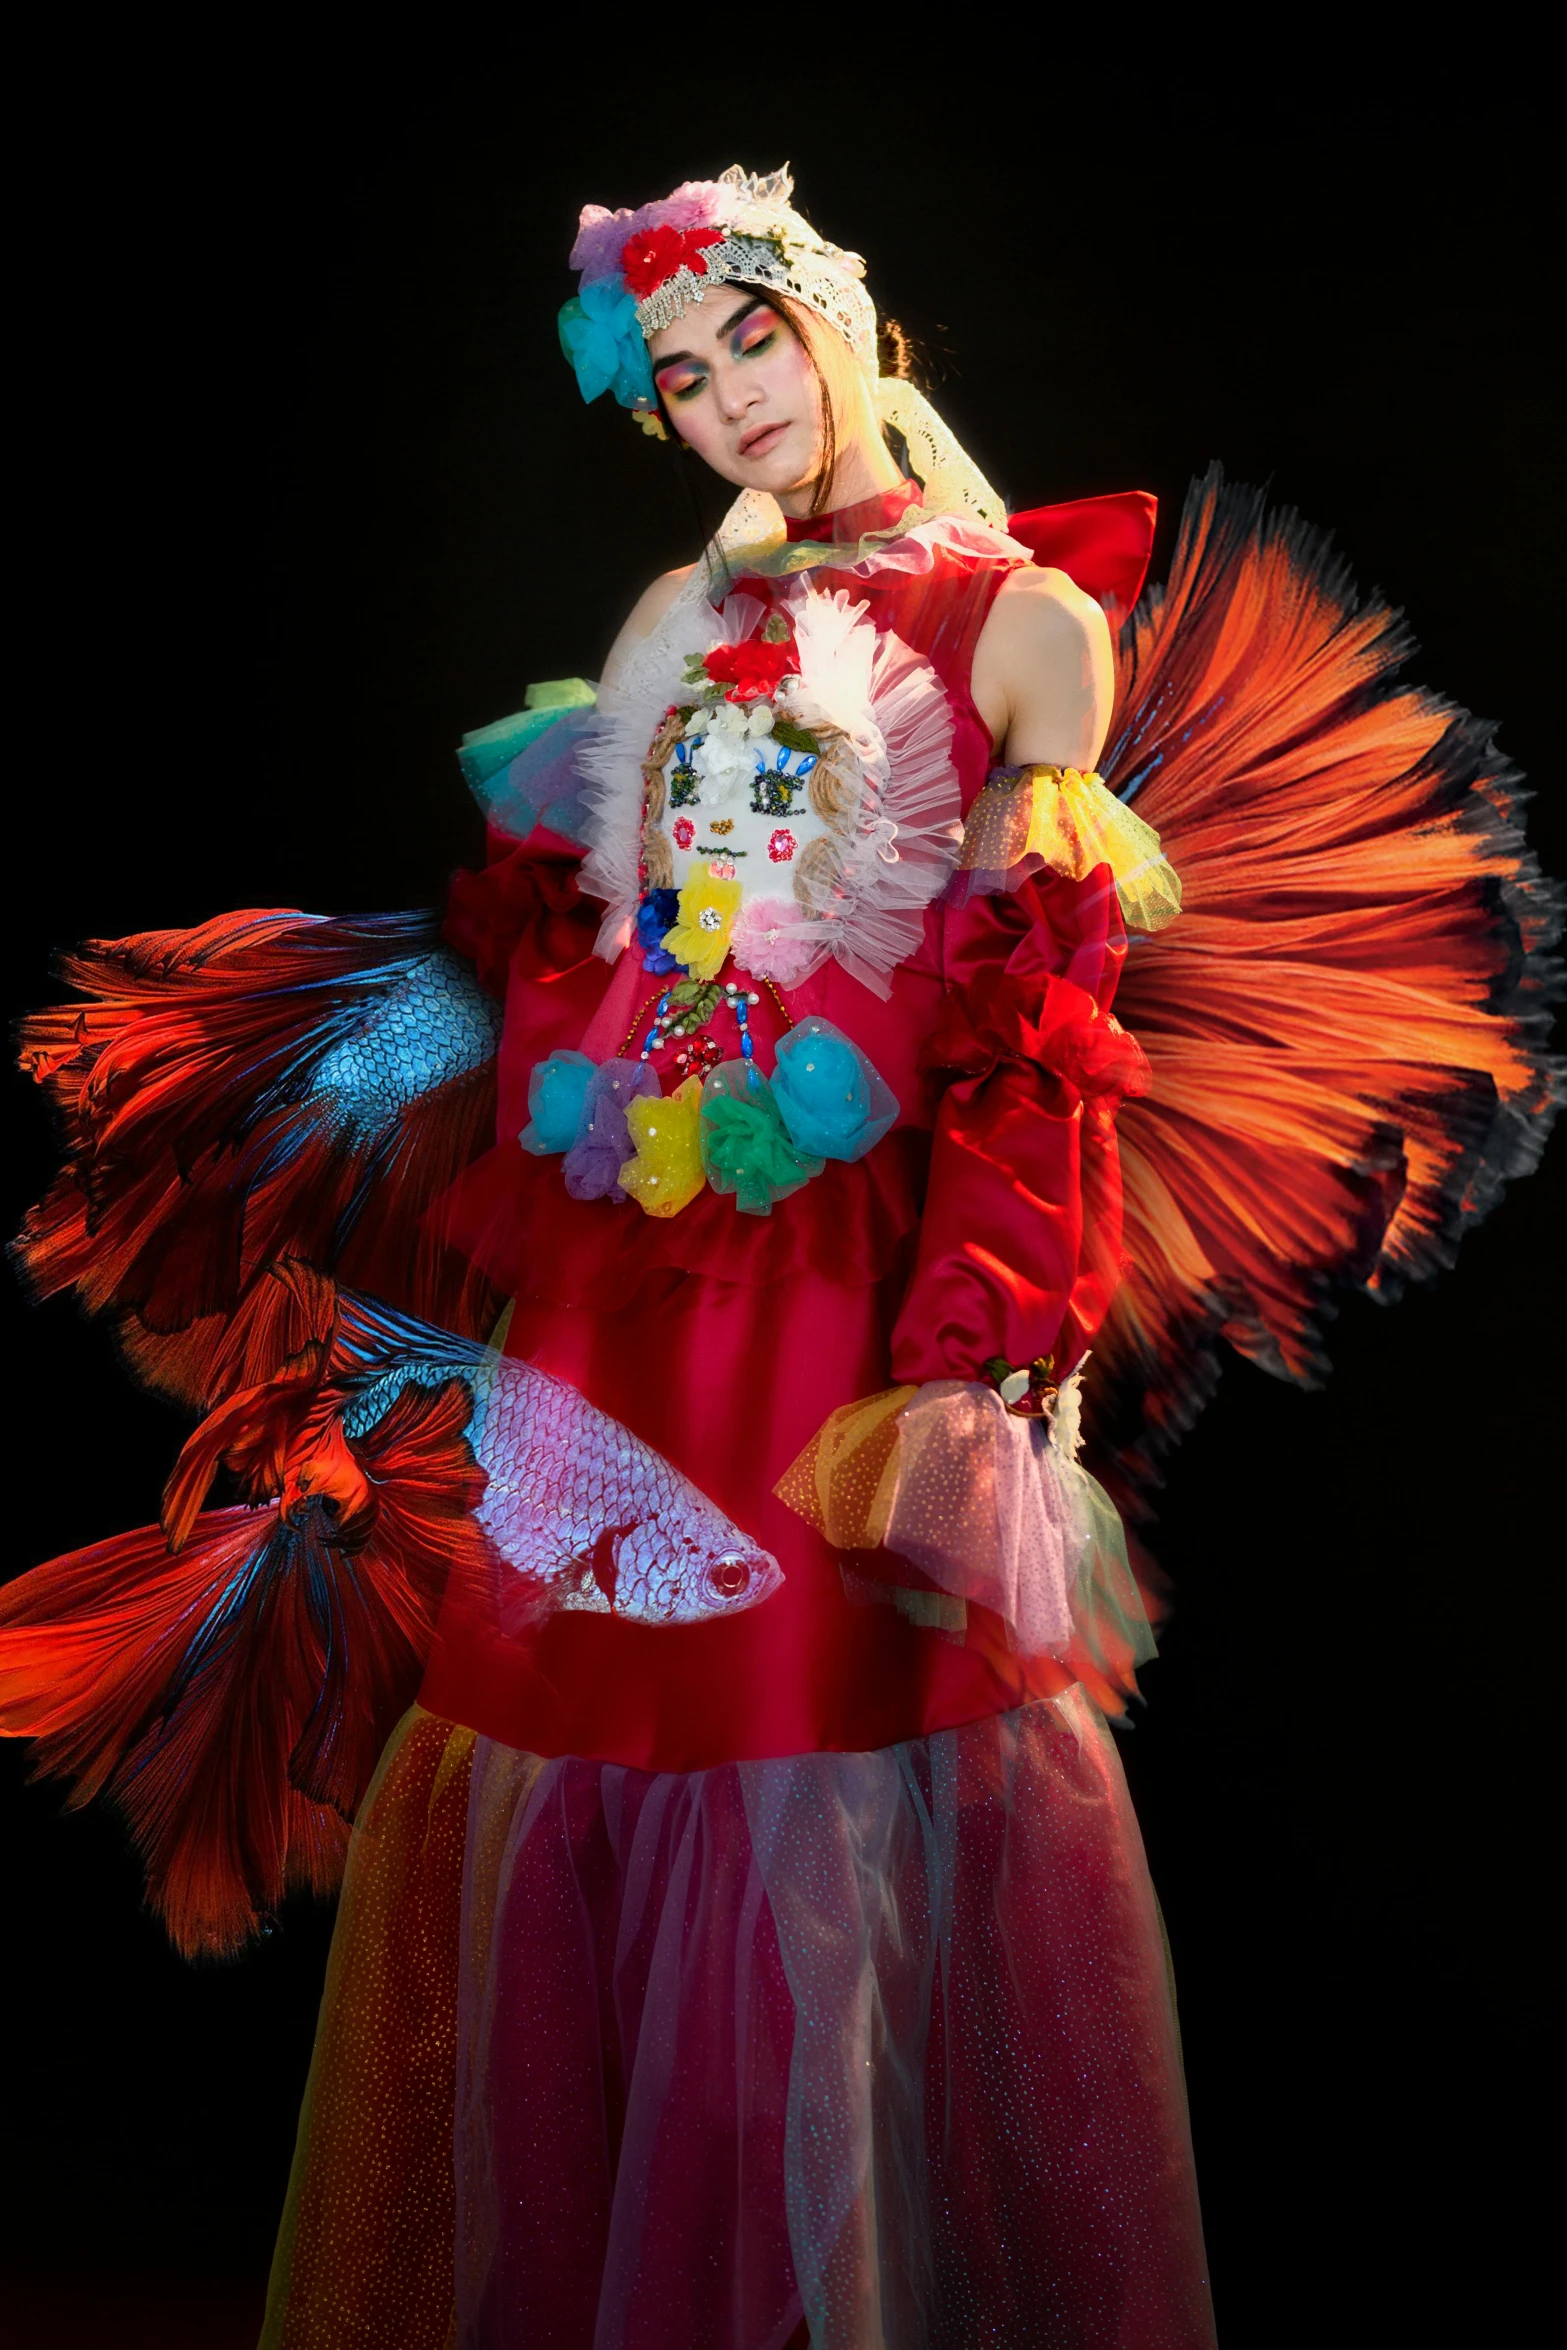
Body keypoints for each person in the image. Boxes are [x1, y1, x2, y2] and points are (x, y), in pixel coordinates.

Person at [2, 164, 1558, 2350]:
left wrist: (986, 1347)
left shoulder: (1030, 625)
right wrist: (581, 1044)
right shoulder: (674, 628)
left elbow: (1041, 1039)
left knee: (805, 1725)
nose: (732, 398)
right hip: (640, 1273)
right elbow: (620, 972)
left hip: (855, 1294)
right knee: (579, 1701)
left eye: (750, 336)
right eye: (680, 383)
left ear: (844, 313)